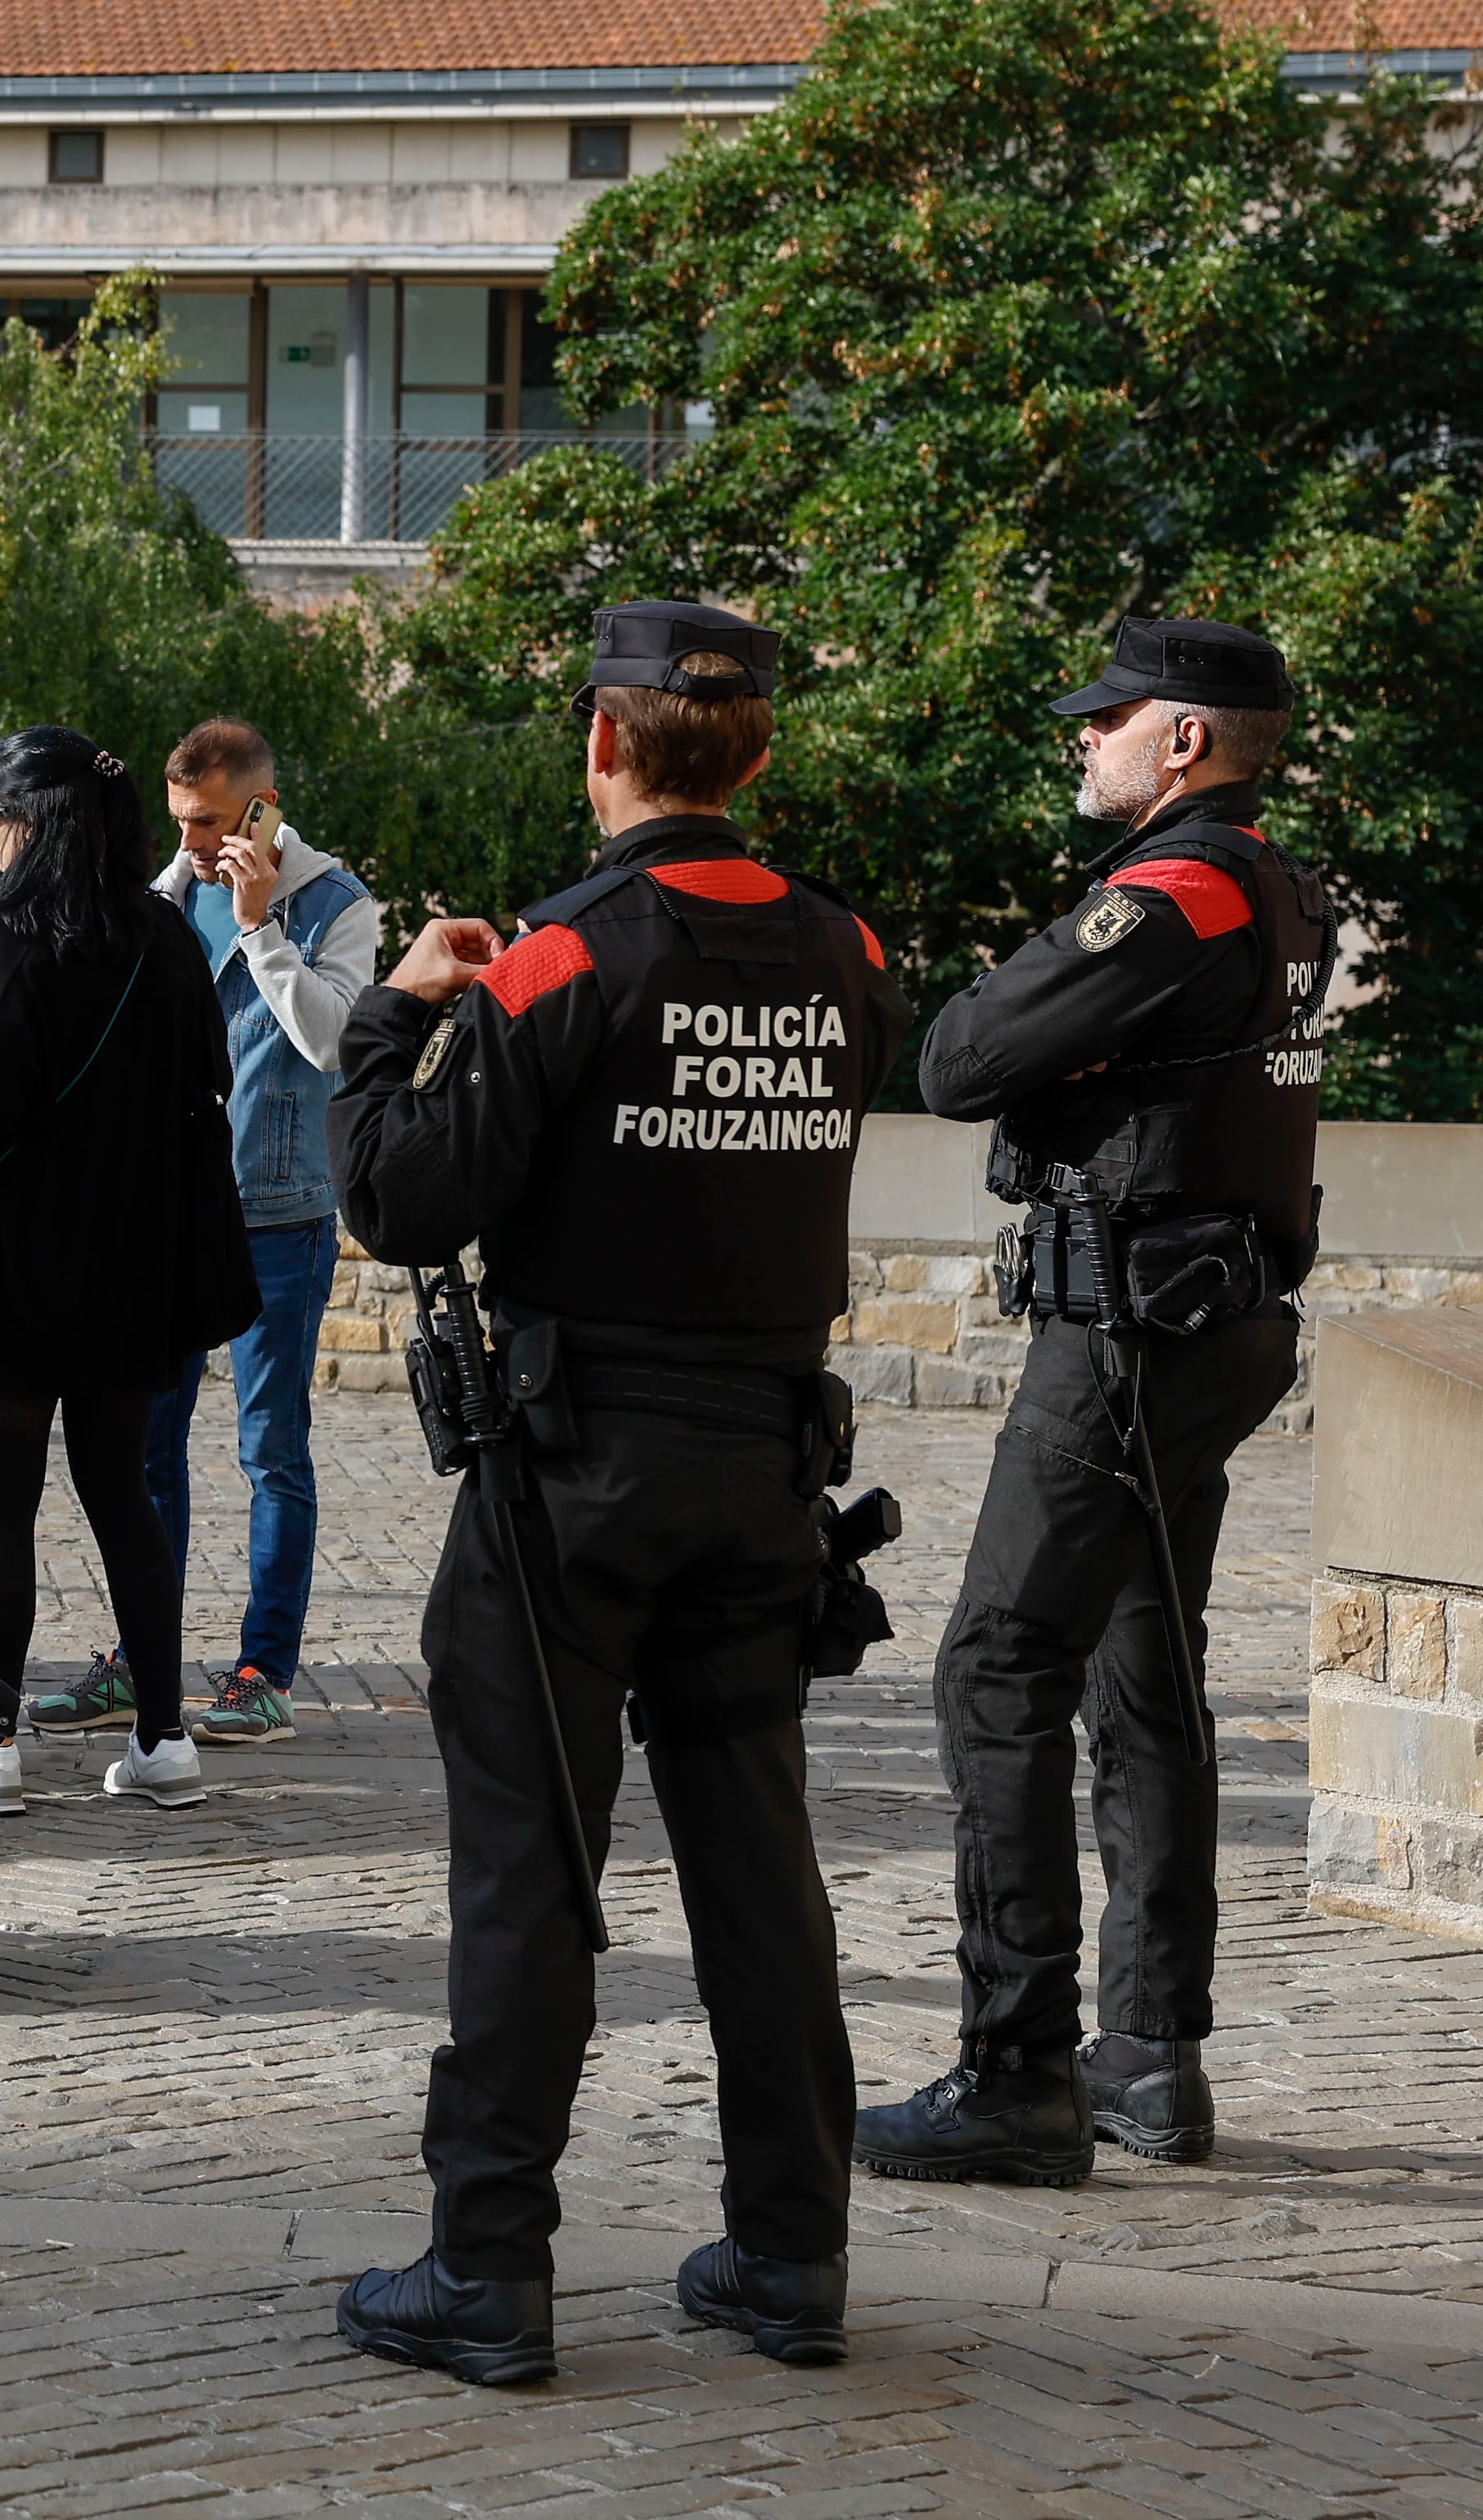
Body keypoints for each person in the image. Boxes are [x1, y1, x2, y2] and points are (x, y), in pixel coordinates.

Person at [324, 601, 911, 2385]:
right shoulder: (848, 954)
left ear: (601, 742)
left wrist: (384, 1018)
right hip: (764, 1470)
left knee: (531, 1870)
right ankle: (790, 2253)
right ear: (753, 756)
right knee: (760, 1871)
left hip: (570, 1483)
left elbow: (404, 1203)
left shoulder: (564, 959)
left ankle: (487, 2267)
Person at [855, 621, 1330, 2190]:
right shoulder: (1281, 886)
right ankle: (1149, 2049)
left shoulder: (1181, 890)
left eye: (1109, 718)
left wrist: (1048, 1040)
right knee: (1147, 1671)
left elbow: (963, 1055)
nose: (1086, 740)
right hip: (1214, 1320)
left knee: (996, 1662)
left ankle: (1015, 2067)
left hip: (1130, 1329)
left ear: (1184, 742)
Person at [0, 727, 257, 1819]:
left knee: (3, 1504)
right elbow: (203, 1090)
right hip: (136, 1264)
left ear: (32, 820)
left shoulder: (15, 937)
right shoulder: (167, 936)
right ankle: (165, 1737)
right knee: (123, 1493)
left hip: (28, 1260)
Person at [34, 720, 379, 1749]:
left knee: (270, 1450)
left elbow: (334, 1044)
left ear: (264, 812)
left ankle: (262, 1671)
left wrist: (260, 925)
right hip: (163, 1213)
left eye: (213, 822)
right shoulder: (160, 900)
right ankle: (143, 1660)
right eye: (179, 821)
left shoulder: (336, 903)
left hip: (278, 1216)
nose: (188, 841)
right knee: (147, 1450)